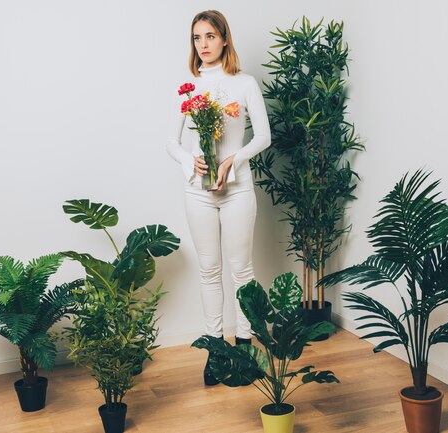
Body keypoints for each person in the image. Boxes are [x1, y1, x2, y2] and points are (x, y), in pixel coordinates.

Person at [166, 10, 271, 386]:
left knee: (241, 270)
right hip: (198, 193)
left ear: (225, 39)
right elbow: (171, 142)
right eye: (197, 38)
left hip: (237, 189)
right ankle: (215, 352)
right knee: (209, 270)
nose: (204, 45)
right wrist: (189, 161)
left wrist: (233, 159)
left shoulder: (244, 83)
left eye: (210, 36)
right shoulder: (188, 84)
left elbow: (263, 137)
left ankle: (243, 348)